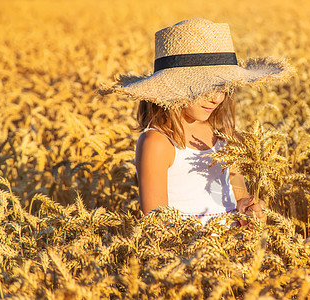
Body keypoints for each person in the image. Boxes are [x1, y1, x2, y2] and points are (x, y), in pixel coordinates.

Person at [101, 18, 293, 225]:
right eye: (206, 88)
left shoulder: (224, 134)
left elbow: (240, 197)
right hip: (188, 254)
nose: (217, 98)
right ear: (174, 87)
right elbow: (156, 227)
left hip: (236, 253)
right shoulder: (157, 143)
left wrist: (250, 212)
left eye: (223, 87)